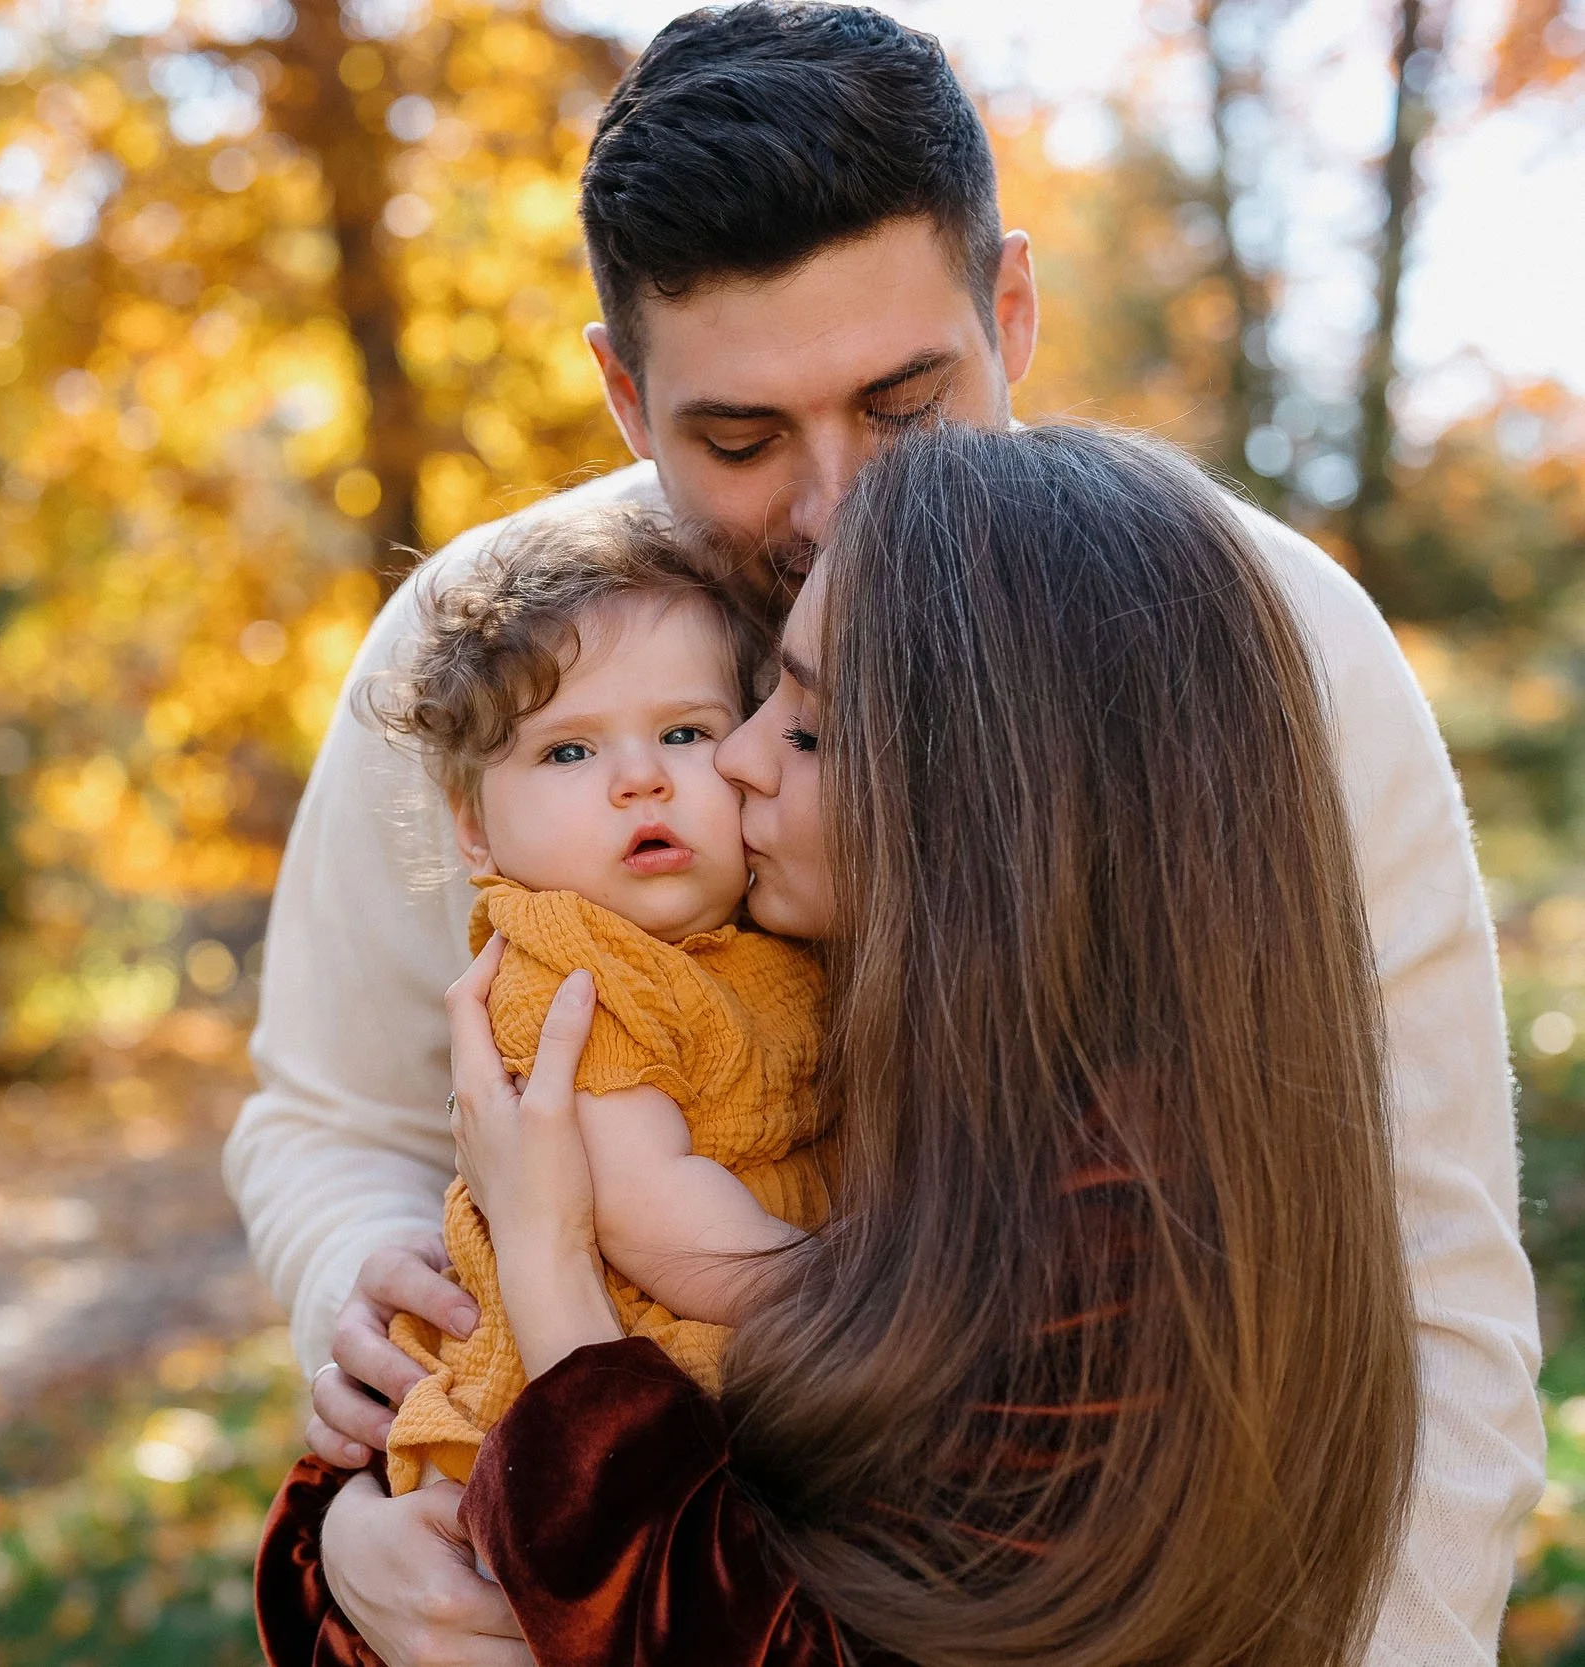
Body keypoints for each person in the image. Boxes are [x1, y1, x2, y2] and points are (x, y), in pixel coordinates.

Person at [221, 6, 1542, 1664]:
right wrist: (368, 1440)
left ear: (1012, 310)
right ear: (625, 395)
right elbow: (333, 1113)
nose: (833, 500)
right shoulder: (505, 665)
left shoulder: (1265, 642)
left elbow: (1429, 1280)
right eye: (740, 437)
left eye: (903, 402)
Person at [257, 421, 1422, 1666]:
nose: (734, 761)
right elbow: (342, 1145)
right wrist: (341, 1539)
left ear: (988, 807)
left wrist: (548, 1261)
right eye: (763, 703)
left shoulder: (1112, 1217)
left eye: (799, 728)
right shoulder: (695, 984)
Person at [349, 502, 833, 1496]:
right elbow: (652, 1212)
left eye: (685, 731)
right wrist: (862, 1292)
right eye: (569, 751)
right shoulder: (567, 968)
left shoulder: (762, 943)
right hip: (586, 1387)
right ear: (473, 831)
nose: (640, 780)